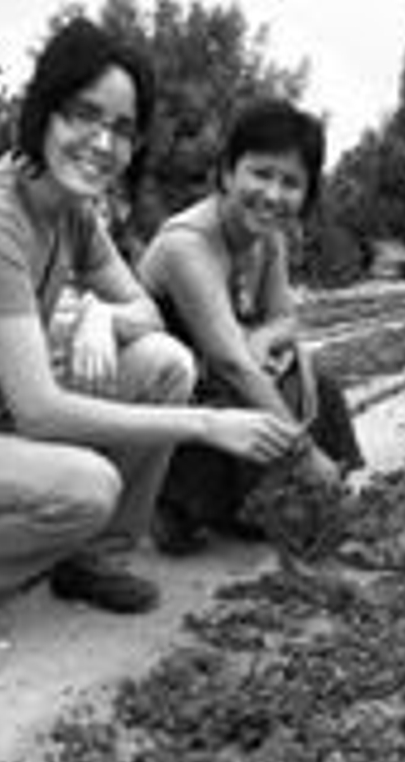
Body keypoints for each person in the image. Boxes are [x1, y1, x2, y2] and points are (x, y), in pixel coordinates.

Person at [0, 19, 303, 654]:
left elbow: (146, 313)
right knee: (86, 486)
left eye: (123, 129)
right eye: (84, 115)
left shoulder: (72, 213)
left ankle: (89, 558)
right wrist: (207, 425)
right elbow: (41, 410)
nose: (103, 143)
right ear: (43, 110)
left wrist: (97, 315)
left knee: (163, 363)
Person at [136, 99, 363, 556]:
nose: (274, 194)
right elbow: (231, 364)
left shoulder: (267, 238)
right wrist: (304, 455)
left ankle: (253, 504)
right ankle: (169, 501)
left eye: (291, 183)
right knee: (245, 398)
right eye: (261, 173)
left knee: (317, 380)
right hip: (171, 397)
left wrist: (261, 337)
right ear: (226, 173)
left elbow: (287, 319)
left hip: (217, 377)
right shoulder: (189, 244)